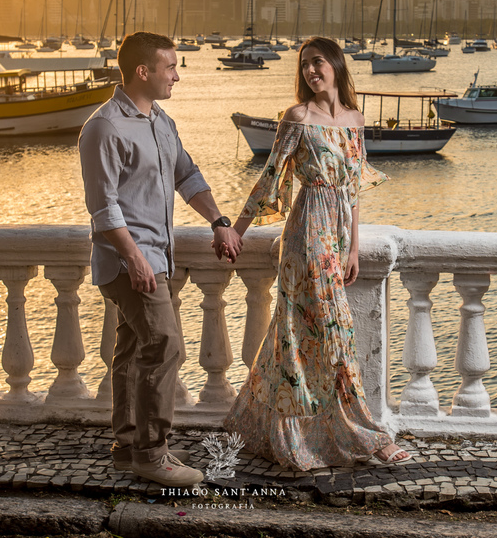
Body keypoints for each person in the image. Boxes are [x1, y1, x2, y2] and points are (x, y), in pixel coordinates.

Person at [222, 36, 409, 470]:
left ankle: (276, 424)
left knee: (298, 330)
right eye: (305, 65)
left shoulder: (355, 120)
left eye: (318, 62)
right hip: (307, 229)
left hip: (337, 232)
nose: (310, 71)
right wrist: (236, 229)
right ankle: (357, 431)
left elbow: (355, 189)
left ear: (337, 66)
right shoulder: (298, 118)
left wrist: (354, 247)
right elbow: (270, 179)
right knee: (328, 330)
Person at [79, 31, 243, 487]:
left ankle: (129, 444)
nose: (177, 75)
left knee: (133, 350)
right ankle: (153, 454)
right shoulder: (104, 127)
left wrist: (218, 221)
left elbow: (187, 174)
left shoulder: (160, 120)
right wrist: (133, 257)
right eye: (170, 67)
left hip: (160, 258)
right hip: (129, 261)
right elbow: (104, 207)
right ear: (142, 71)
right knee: (166, 345)